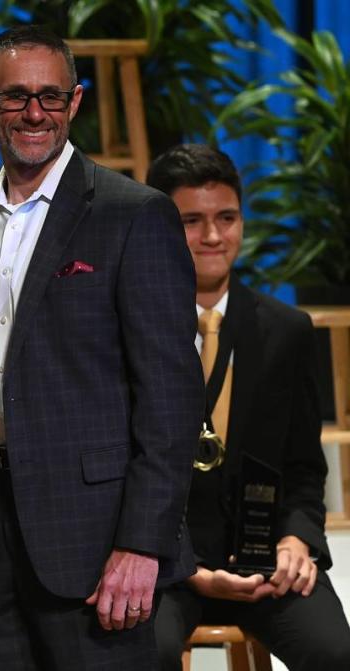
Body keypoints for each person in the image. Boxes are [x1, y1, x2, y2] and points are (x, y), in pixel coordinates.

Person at [0, 26, 204, 669]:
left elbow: (172, 399)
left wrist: (143, 542)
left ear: (75, 103)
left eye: (51, 96)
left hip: (94, 532)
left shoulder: (133, 215)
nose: (35, 113)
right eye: (15, 97)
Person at [146, 143, 350, 670]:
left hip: (264, 559)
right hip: (165, 564)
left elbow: (305, 469)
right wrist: (184, 564)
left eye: (227, 217)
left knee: (335, 652)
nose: (213, 236)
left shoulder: (287, 331)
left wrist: (296, 540)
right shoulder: (129, 328)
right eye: (192, 220)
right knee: (142, 652)